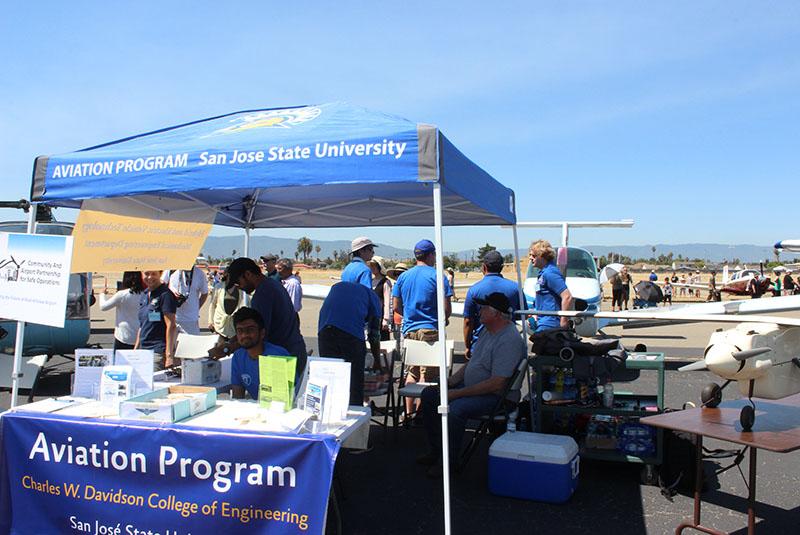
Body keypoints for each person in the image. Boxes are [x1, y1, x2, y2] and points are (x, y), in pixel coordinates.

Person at [418, 292, 526, 477]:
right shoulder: (487, 330)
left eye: (484, 308)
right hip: (476, 389)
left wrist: (457, 393)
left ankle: (449, 464)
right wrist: (452, 381)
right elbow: (473, 362)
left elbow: (497, 384)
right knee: (429, 395)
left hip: (497, 398)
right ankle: (437, 452)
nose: (479, 311)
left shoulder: (509, 340)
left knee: (456, 409)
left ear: (497, 314)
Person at [225, 257, 308, 383]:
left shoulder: (263, 294)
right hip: (293, 351)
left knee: (277, 401)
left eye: (238, 282)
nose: (239, 287)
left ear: (248, 274)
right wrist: (230, 342)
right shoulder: (271, 284)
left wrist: (227, 349)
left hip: (283, 357)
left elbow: (256, 336)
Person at [318, 281, 383, 405]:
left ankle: (331, 412)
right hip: (350, 333)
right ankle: (355, 413)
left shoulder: (341, 287)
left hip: (325, 329)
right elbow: (374, 335)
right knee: (354, 380)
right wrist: (377, 361)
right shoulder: (374, 299)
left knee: (330, 376)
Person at [463, 250, 521, 359]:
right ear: (502, 267)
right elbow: (521, 314)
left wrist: (467, 346)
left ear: (484, 267)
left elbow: (468, 321)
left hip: (480, 345)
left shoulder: (474, 290)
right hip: (507, 344)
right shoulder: (515, 288)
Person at [230, 307, 290, 400]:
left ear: (262, 333)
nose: (244, 335)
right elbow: (237, 398)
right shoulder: (238, 357)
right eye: (240, 331)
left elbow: (285, 399)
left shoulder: (279, 356)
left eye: (250, 330)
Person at [134, 270, 178, 370]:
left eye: (153, 274)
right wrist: (135, 349)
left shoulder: (165, 295)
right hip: (143, 350)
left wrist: (169, 356)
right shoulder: (145, 294)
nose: (150, 277)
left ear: (160, 274)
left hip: (157, 351)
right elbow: (142, 325)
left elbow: (171, 325)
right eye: (146, 274)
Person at [529, 239, 573, 333]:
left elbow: (567, 296)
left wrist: (563, 321)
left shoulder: (550, 273)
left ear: (542, 256)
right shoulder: (544, 273)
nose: (530, 258)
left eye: (533, 255)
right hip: (543, 321)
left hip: (550, 324)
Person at [207, 269, 249, 359]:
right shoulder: (218, 287)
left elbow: (246, 305)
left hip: (234, 326)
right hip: (220, 325)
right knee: (219, 352)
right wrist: (210, 321)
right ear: (227, 275)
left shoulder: (241, 289)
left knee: (235, 352)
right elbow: (212, 305)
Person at [99, 271, 143, 350]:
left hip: (123, 335)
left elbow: (103, 307)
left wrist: (102, 294)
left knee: (120, 361)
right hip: (140, 335)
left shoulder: (121, 294)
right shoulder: (145, 294)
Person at [162, 264, 209, 335]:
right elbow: (161, 286)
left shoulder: (199, 274)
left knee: (191, 345)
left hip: (190, 320)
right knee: (170, 345)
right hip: (172, 318)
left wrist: (196, 308)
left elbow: (204, 294)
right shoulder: (169, 270)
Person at [368, 256, 393, 341]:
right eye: (371, 266)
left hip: (381, 316)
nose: (372, 268)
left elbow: (388, 301)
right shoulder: (370, 281)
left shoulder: (386, 282)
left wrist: (386, 320)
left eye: (374, 266)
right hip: (371, 316)